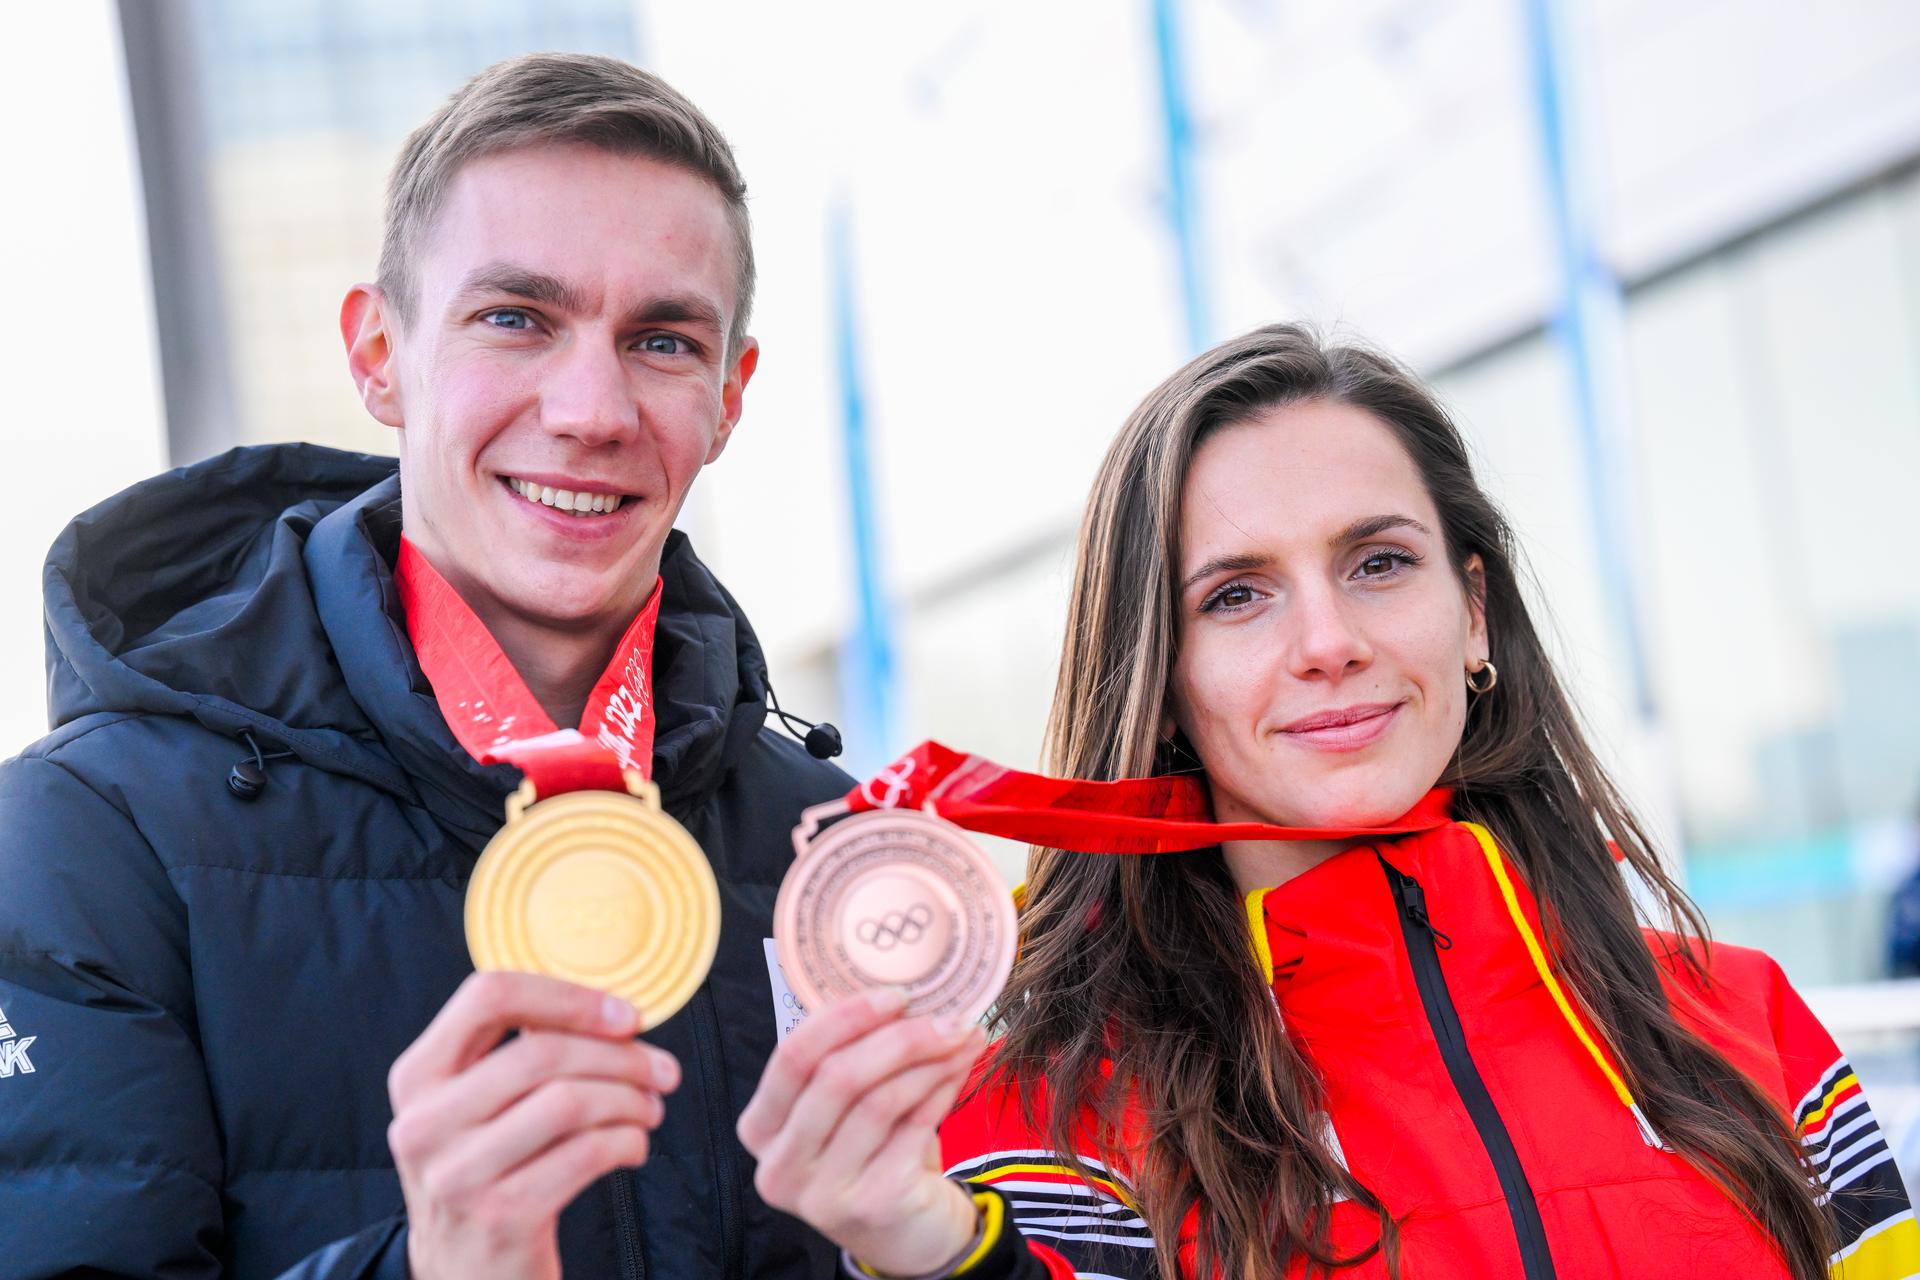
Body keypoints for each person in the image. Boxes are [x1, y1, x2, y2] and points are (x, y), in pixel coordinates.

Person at [737, 324, 1919, 1278]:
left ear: (1474, 612)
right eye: (1238, 595)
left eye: (1378, 562)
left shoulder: (1752, 1026)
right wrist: (941, 1254)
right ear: (1163, 681)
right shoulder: (1048, 1129)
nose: (1328, 640)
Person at [0, 53, 850, 1278]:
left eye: (662, 340)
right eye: (516, 319)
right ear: (377, 353)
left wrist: (938, 1249)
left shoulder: (828, 843)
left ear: (729, 396)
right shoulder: (87, 834)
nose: (592, 409)